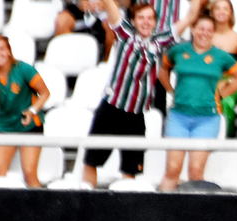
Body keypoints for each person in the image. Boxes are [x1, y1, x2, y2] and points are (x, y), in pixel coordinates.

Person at [82, 0, 200, 188]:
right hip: (112, 107)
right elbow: (110, 4)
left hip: (136, 114)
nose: (145, 22)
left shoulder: (160, 40)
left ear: (155, 22)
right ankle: (86, 198)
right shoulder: (124, 32)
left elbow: (190, 17)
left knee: (130, 168)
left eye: (150, 18)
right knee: (92, 160)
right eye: (141, 18)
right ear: (134, 20)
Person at [158, 14, 237, 191]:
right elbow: (163, 69)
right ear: (193, 29)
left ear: (213, 33)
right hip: (178, 116)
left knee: (196, 171)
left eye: (209, 30)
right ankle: (159, 213)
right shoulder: (178, 50)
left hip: (207, 118)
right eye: (200, 29)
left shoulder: (220, 56)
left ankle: (193, 216)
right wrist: (171, 90)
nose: (204, 33)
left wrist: (222, 93)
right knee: (172, 170)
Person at [0, 35, 50, 187]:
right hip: (4, 127)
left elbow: (45, 93)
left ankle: (39, 209)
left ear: (9, 51)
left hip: (30, 126)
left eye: (2, 49)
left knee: (29, 174)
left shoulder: (23, 69)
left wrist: (32, 110)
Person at [208, 0, 237, 137]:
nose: (221, 12)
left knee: (225, 101)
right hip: (209, 82)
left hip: (233, 84)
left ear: (231, 12)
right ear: (212, 12)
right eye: (217, 8)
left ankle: (225, 140)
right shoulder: (204, 36)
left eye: (225, 8)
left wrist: (228, 82)